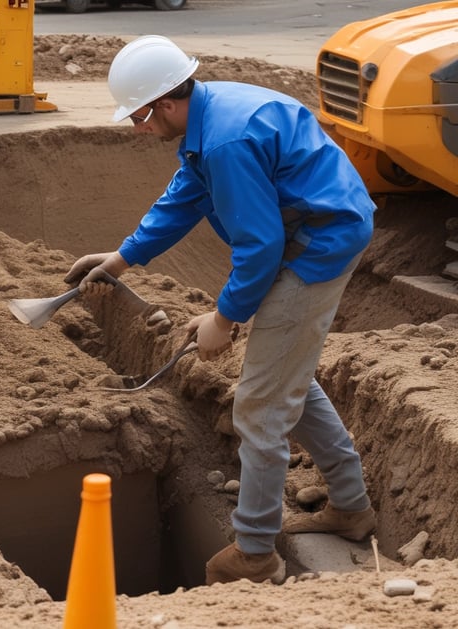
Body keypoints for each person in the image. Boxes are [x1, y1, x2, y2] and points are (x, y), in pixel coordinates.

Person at [64, 35, 377, 585]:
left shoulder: (227, 140)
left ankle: (254, 555)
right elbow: (186, 194)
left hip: (320, 242)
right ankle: (350, 507)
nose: (137, 128)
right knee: (282, 378)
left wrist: (224, 319)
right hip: (305, 228)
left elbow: (260, 245)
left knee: (258, 406)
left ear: (165, 102)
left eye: (138, 116)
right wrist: (121, 258)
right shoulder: (208, 118)